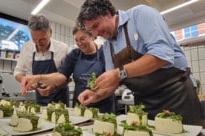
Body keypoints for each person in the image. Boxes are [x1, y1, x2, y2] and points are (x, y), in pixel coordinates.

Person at [76, 0, 205, 126]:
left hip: (176, 95)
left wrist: (119, 73)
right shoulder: (107, 47)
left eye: (95, 25)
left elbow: (163, 54)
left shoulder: (140, 15)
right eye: (91, 31)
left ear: (107, 13)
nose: (95, 34)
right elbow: (113, 82)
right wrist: (96, 94)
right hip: (144, 103)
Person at [21, 26, 116, 114]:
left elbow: (114, 79)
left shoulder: (106, 53)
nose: (79, 44)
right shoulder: (75, 54)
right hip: (80, 107)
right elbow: (61, 76)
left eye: (82, 39)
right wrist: (39, 78)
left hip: (103, 107)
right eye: (76, 40)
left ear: (92, 37)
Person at [14, 15, 69, 106]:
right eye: (34, 39)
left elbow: (67, 76)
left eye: (42, 39)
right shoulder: (26, 48)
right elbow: (18, 72)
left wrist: (54, 86)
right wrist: (24, 79)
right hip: (40, 99)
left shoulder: (62, 48)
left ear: (50, 32)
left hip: (60, 99)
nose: (39, 43)